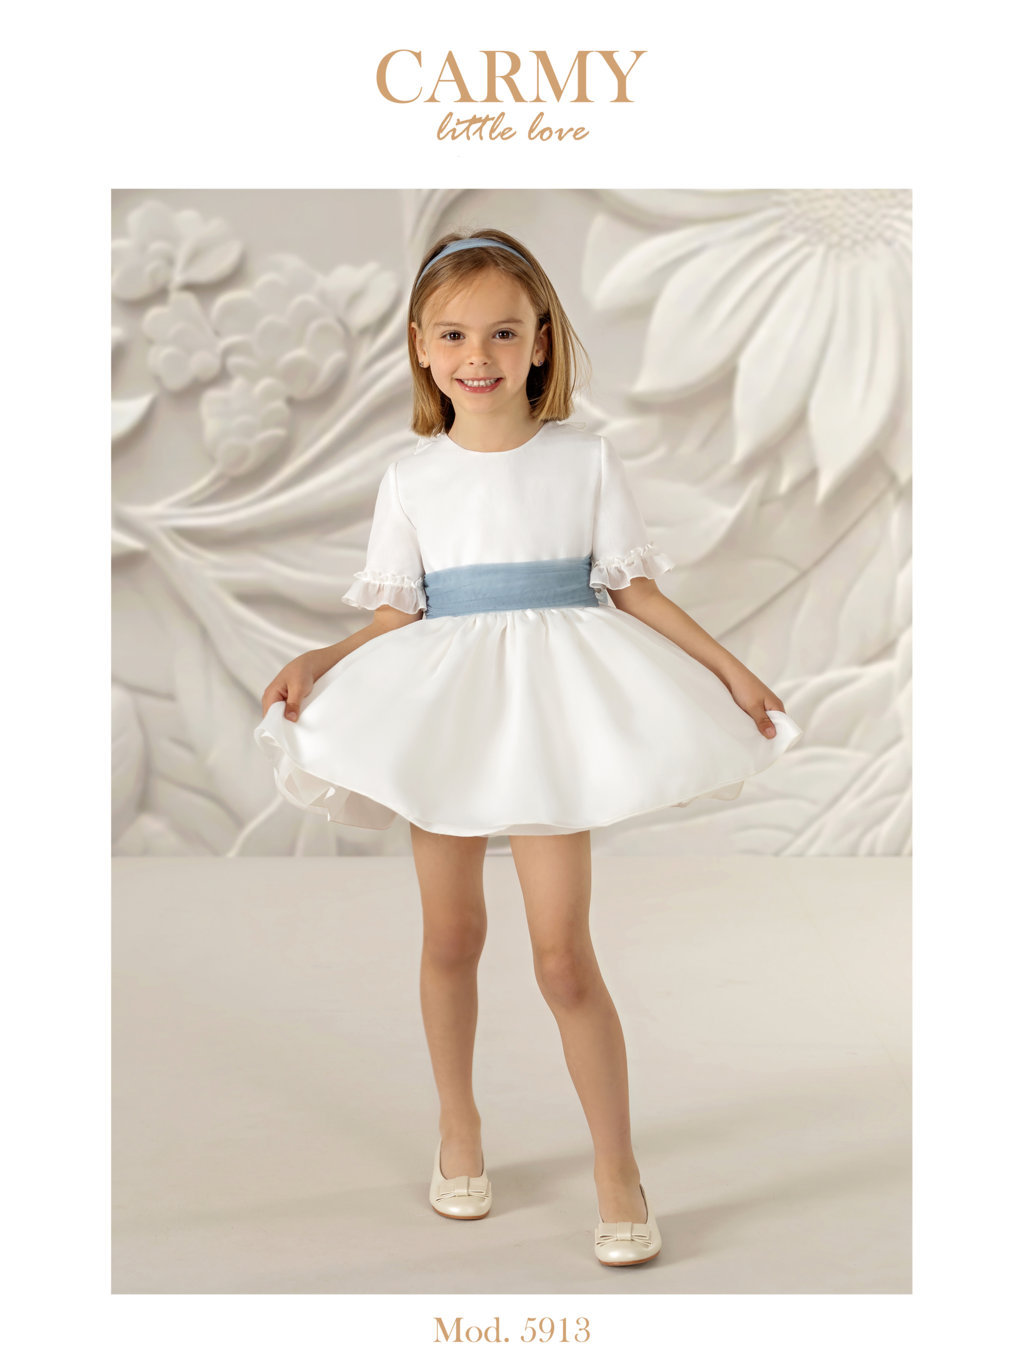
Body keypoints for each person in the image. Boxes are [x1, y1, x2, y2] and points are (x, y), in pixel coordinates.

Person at [254, 229, 803, 1267]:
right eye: (455, 334)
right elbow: (397, 614)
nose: (480, 354)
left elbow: (634, 590)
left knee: (561, 956)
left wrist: (730, 670)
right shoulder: (411, 477)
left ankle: (617, 1170)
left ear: (541, 342)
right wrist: (321, 660)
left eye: (504, 332)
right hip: (444, 714)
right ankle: (458, 1128)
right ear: (421, 347)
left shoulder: (583, 460)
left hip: (550, 714)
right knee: (451, 935)